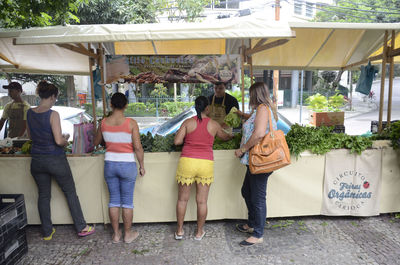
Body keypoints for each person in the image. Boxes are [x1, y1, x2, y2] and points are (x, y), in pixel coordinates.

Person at [27, 80, 95, 240]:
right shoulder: (53, 114)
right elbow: (58, 141)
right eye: (55, 98)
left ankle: (47, 231)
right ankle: (82, 227)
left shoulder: (29, 113)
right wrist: (66, 139)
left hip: (36, 160)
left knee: (43, 195)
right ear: (52, 96)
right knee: (70, 192)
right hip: (55, 159)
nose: (55, 100)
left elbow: (30, 137)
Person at [174, 96, 232, 240]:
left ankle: (180, 231)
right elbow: (224, 137)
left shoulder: (187, 122)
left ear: (195, 107)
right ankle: (199, 233)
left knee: (182, 200)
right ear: (207, 108)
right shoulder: (213, 124)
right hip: (205, 163)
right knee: (202, 201)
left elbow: (177, 141)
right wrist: (232, 136)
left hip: (187, 161)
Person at [94, 92, 145, 244]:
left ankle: (116, 234)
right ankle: (127, 234)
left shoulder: (103, 122)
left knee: (114, 200)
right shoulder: (131, 123)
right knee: (127, 201)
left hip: (110, 164)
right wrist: (142, 165)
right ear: (126, 105)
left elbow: (96, 141)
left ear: (111, 104)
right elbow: (138, 147)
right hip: (127, 164)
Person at [234, 82, 278, 247]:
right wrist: (242, 115)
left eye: (250, 94)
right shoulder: (262, 108)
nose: (248, 97)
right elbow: (255, 124)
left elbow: (259, 134)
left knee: (258, 197)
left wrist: (243, 149)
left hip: (259, 159)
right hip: (254, 160)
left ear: (255, 94)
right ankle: (252, 224)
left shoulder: (262, 109)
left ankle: (258, 233)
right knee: (247, 191)